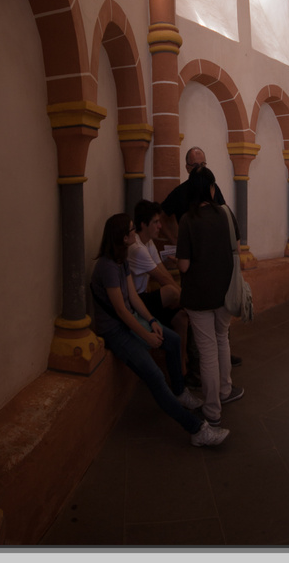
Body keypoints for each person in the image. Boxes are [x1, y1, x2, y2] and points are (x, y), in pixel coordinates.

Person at [90, 212, 226, 447]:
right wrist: (146, 336)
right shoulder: (107, 267)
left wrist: (152, 321)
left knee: (172, 340)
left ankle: (180, 392)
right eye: (132, 231)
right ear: (123, 238)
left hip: (128, 321)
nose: (135, 234)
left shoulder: (121, 261)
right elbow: (121, 311)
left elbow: (133, 298)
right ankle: (197, 430)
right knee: (154, 375)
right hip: (114, 331)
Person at [177, 166, 243, 426]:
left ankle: (212, 411)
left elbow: (183, 265)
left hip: (198, 295)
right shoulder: (226, 214)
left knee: (206, 351)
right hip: (225, 291)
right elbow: (236, 248)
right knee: (222, 340)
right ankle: (225, 391)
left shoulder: (188, 220)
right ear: (212, 189)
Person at [129, 200, 189, 370]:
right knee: (171, 291)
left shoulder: (148, 243)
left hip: (145, 298)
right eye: (156, 222)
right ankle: (192, 307)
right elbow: (163, 280)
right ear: (143, 224)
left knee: (182, 318)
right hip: (136, 303)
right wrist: (186, 299)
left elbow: (164, 273)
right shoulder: (138, 248)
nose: (160, 226)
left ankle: (182, 368)